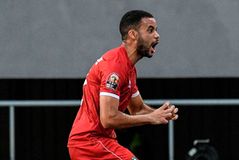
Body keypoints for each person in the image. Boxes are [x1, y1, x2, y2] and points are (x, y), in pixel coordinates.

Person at [67, 10, 179, 160]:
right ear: (133, 34)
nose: (157, 35)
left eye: (156, 30)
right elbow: (108, 119)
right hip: (90, 143)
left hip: (97, 142)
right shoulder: (115, 67)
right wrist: (152, 117)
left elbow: (137, 109)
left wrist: (159, 113)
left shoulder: (128, 69)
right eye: (150, 30)